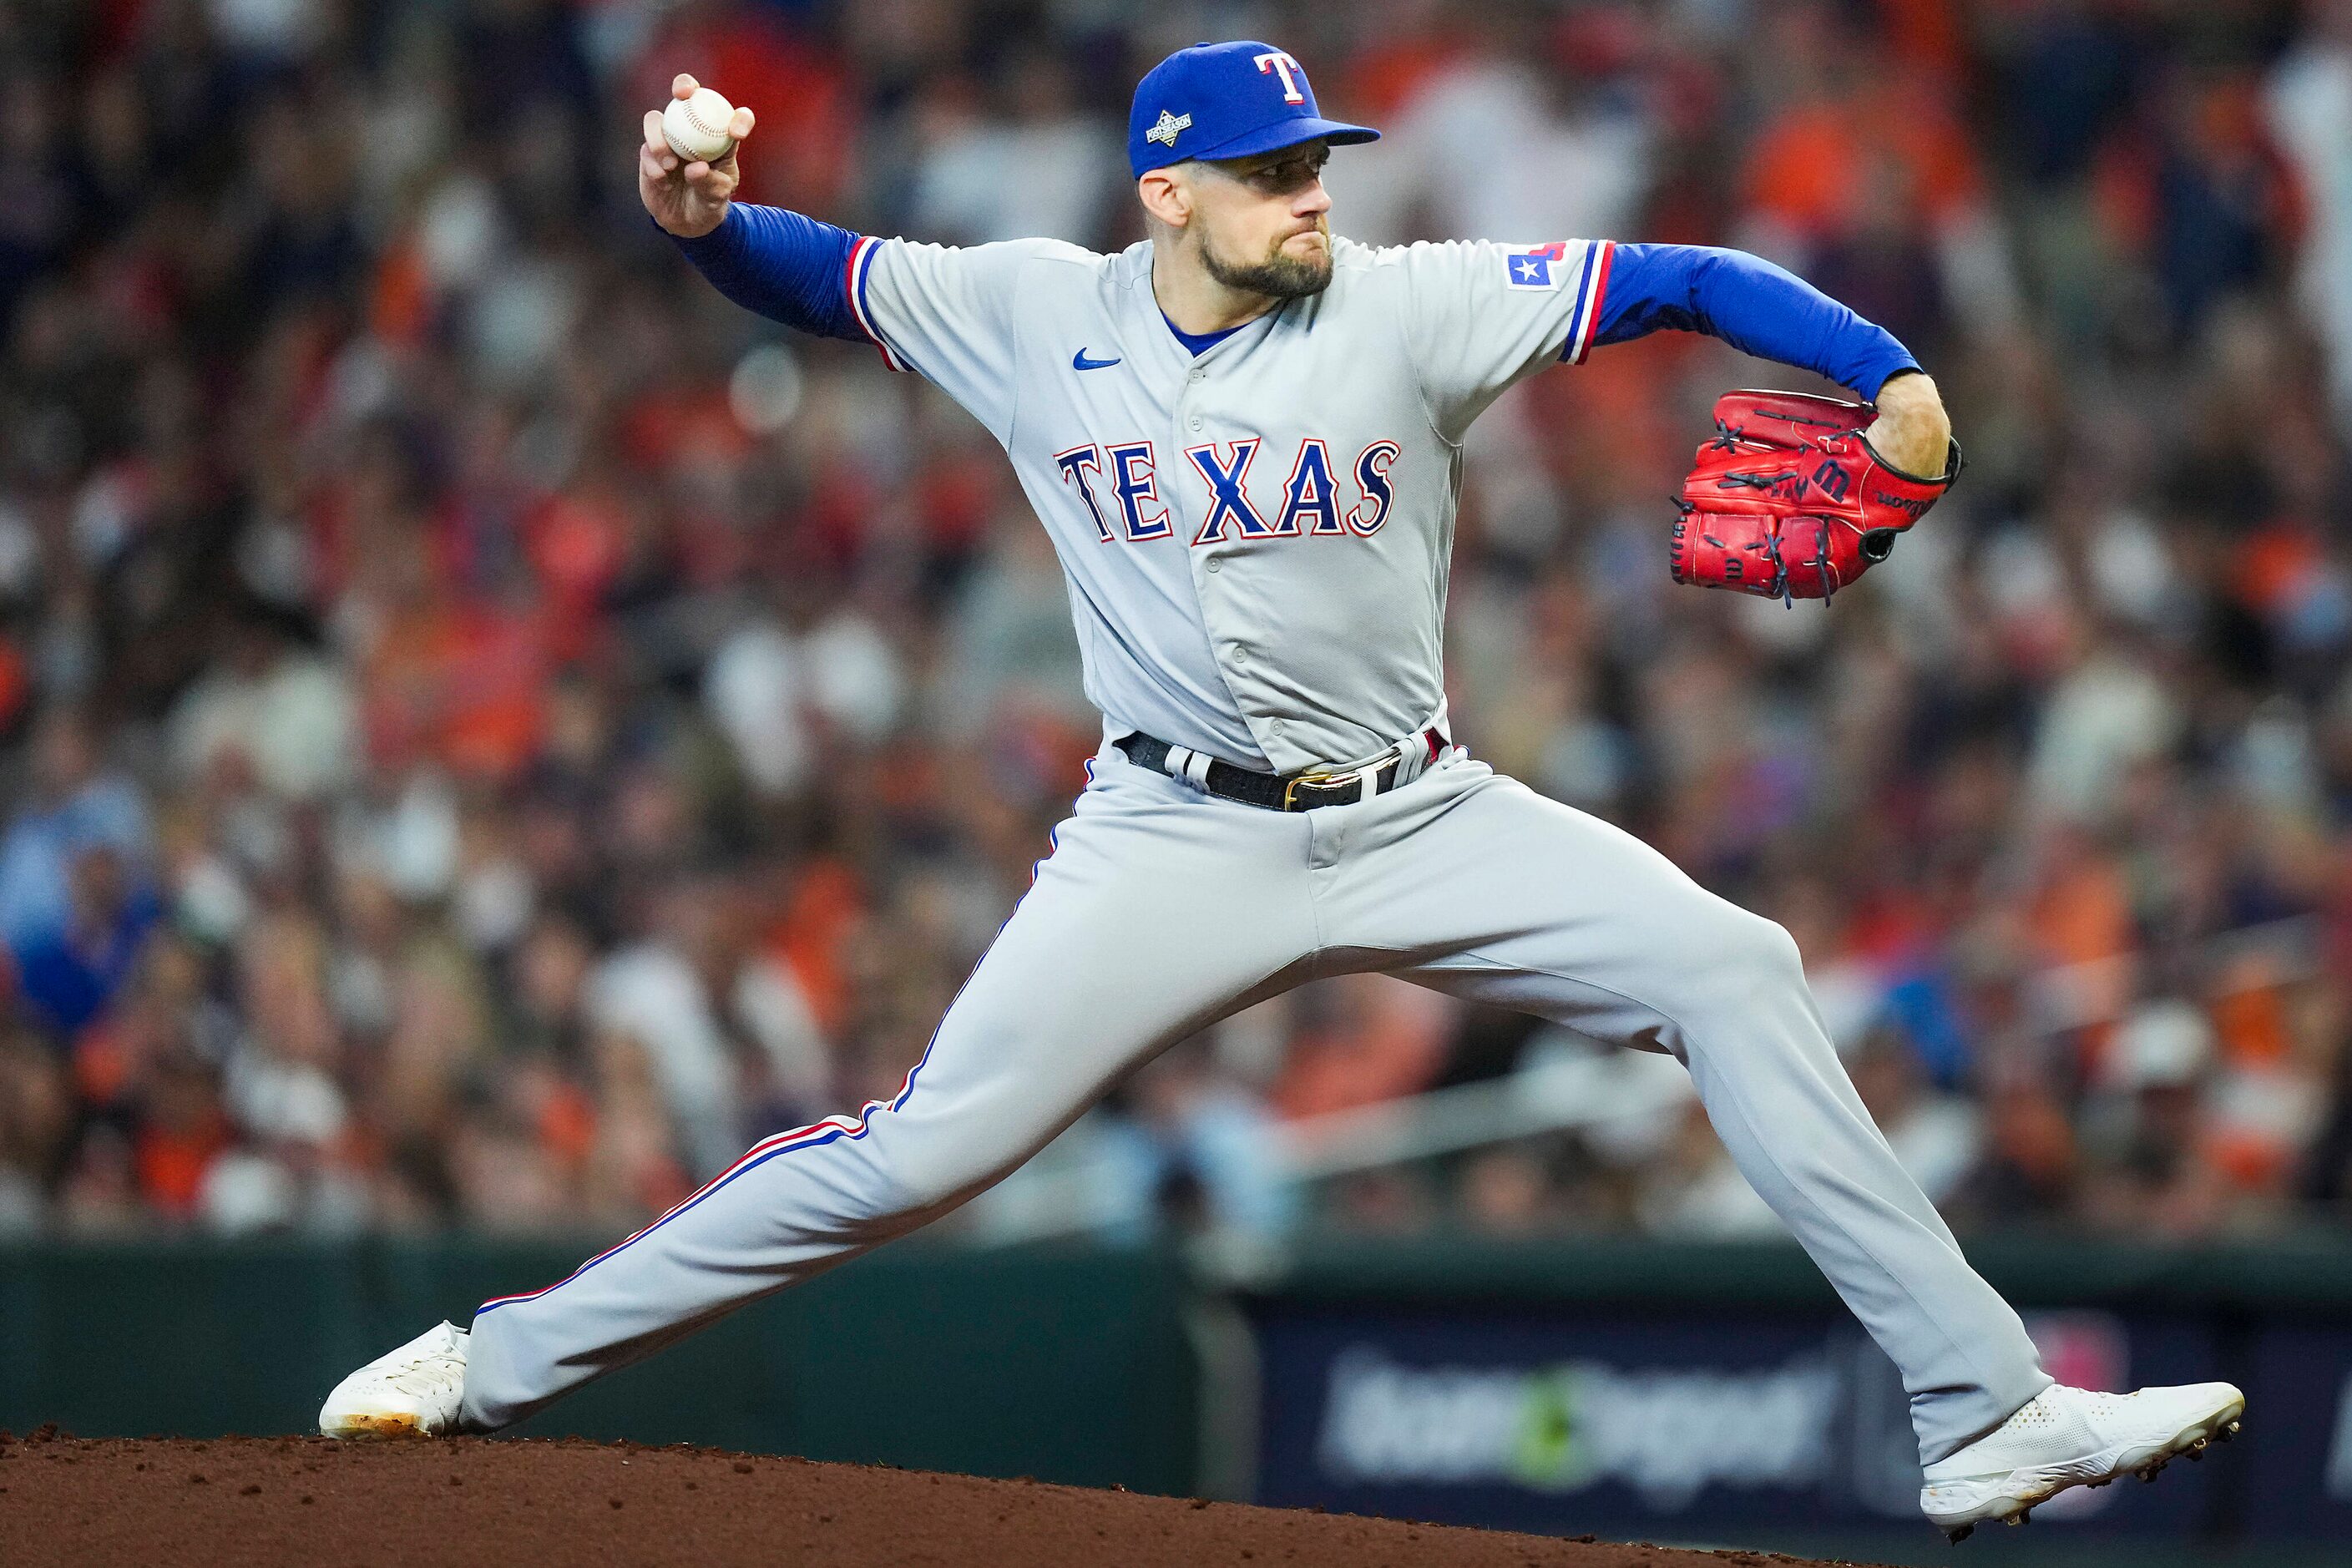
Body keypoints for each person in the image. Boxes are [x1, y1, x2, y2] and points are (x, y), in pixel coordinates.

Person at [320, 41, 2243, 1540]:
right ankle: (486, 1365)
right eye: (1265, 173)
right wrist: (689, 217)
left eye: (1316, 162)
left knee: (1729, 964)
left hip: (1422, 814)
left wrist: (1882, 368)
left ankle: (1981, 1414)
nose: (1305, 194)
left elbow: (1672, 276)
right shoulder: (1029, 311)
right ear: (1166, 190)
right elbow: (807, 276)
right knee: (922, 1155)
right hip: (1168, 832)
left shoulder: (1402, 302)